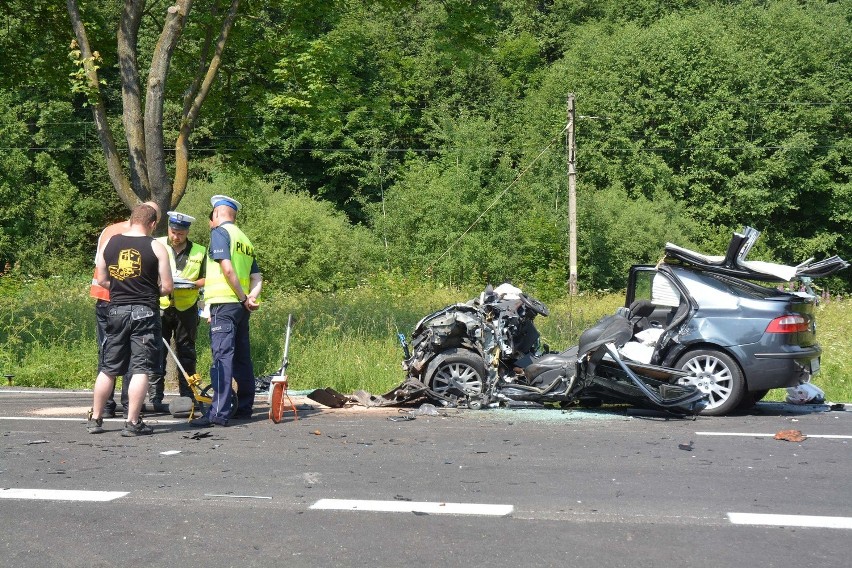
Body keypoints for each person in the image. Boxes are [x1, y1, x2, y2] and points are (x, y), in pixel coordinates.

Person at [87, 204, 173, 435]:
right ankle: (132, 422)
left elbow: (102, 279)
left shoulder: (110, 243)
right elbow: (166, 286)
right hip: (144, 312)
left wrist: (119, 287)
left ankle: (95, 419)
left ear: (131, 219)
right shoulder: (157, 247)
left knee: (108, 367)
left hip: (114, 310)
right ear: (153, 224)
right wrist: (149, 289)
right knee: (140, 368)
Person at [190, 195, 262, 427]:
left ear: (218, 214)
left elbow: (227, 269)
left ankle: (218, 413)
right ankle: (244, 408)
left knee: (222, 358)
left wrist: (242, 297)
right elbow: (258, 277)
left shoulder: (221, 233)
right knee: (242, 358)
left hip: (225, 304)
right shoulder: (245, 240)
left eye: (211, 217)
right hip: (241, 308)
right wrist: (251, 298)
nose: (210, 222)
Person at [148, 211, 207, 411]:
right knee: (157, 352)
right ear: (168, 229)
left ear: (187, 232)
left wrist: (192, 285)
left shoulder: (199, 251)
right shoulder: (157, 244)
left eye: (181, 233)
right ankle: (155, 398)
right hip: (162, 306)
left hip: (186, 307)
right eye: (173, 232)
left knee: (187, 352)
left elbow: (207, 278)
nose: (176, 237)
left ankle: (188, 396)